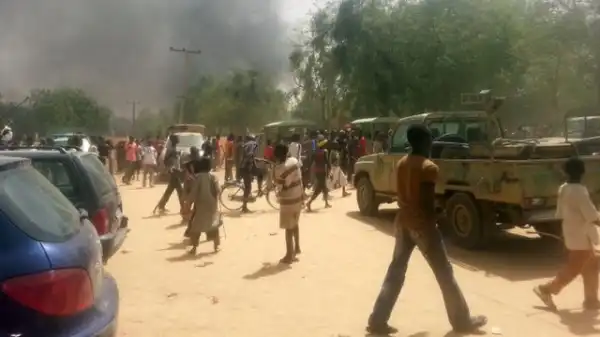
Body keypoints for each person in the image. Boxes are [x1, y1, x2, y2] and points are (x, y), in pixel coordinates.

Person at [366, 124, 486, 335]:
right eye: (430, 139)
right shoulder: (429, 168)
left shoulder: (402, 163)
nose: (432, 143)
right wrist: (440, 220)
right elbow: (427, 203)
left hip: (403, 221)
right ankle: (461, 320)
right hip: (423, 226)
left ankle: (377, 319)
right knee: (444, 274)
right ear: (423, 142)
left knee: (395, 272)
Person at [534, 157, 600, 311]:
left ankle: (591, 300)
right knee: (575, 268)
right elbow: (592, 215)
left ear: (565, 172)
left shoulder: (564, 187)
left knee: (591, 265)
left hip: (572, 232)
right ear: (583, 172)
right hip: (580, 235)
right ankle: (546, 289)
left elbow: (561, 213)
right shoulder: (579, 191)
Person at [182, 156, 221, 254]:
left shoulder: (198, 177)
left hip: (201, 205)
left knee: (196, 227)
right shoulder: (213, 176)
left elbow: (194, 192)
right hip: (212, 205)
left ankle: (194, 248)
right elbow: (218, 190)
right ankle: (216, 246)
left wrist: (188, 204)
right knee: (213, 225)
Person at [273, 143, 303, 263]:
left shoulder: (280, 168)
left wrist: (273, 173)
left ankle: (289, 255)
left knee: (288, 228)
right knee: (295, 223)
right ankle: (297, 248)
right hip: (299, 197)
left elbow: (280, 185)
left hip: (288, 201)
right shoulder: (294, 161)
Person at [155, 134, 184, 214]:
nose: (178, 140)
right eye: (177, 139)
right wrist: (170, 168)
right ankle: (184, 207)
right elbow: (166, 159)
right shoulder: (170, 149)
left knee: (170, 190)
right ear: (174, 141)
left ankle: (161, 205)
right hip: (174, 172)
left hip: (176, 171)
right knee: (180, 191)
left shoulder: (174, 148)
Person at [306, 135, 331, 212]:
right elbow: (327, 162)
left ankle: (326, 203)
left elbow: (310, 162)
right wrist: (330, 170)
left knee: (324, 188)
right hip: (322, 171)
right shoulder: (324, 152)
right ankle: (309, 203)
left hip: (317, 171)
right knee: (320, 189)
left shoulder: (315, 152)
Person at [239, 135, 261, 213]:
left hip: (243, 167)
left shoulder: (247, 144)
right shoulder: (253, 144)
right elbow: (250, 155)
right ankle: (244, 207)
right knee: (248, 187)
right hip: (246, 168)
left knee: (248, 186)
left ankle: (245, 204)